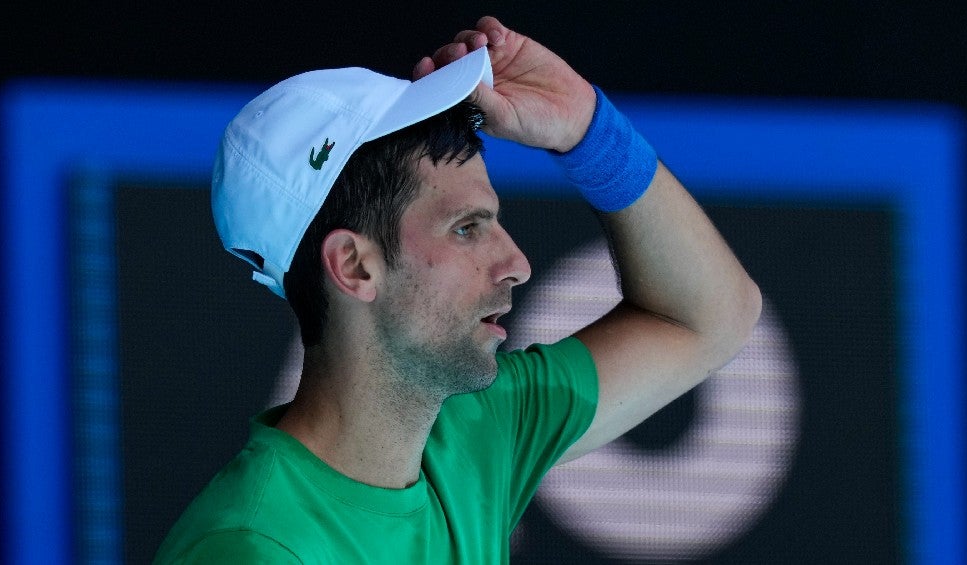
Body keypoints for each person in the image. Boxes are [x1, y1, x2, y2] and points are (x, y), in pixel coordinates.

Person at [154, 15, 761, 564]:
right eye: (467, 228)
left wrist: (588, 133)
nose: (517, 263)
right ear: (355, 267)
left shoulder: (477, 431)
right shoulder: (252, 550)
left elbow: (709, 317)